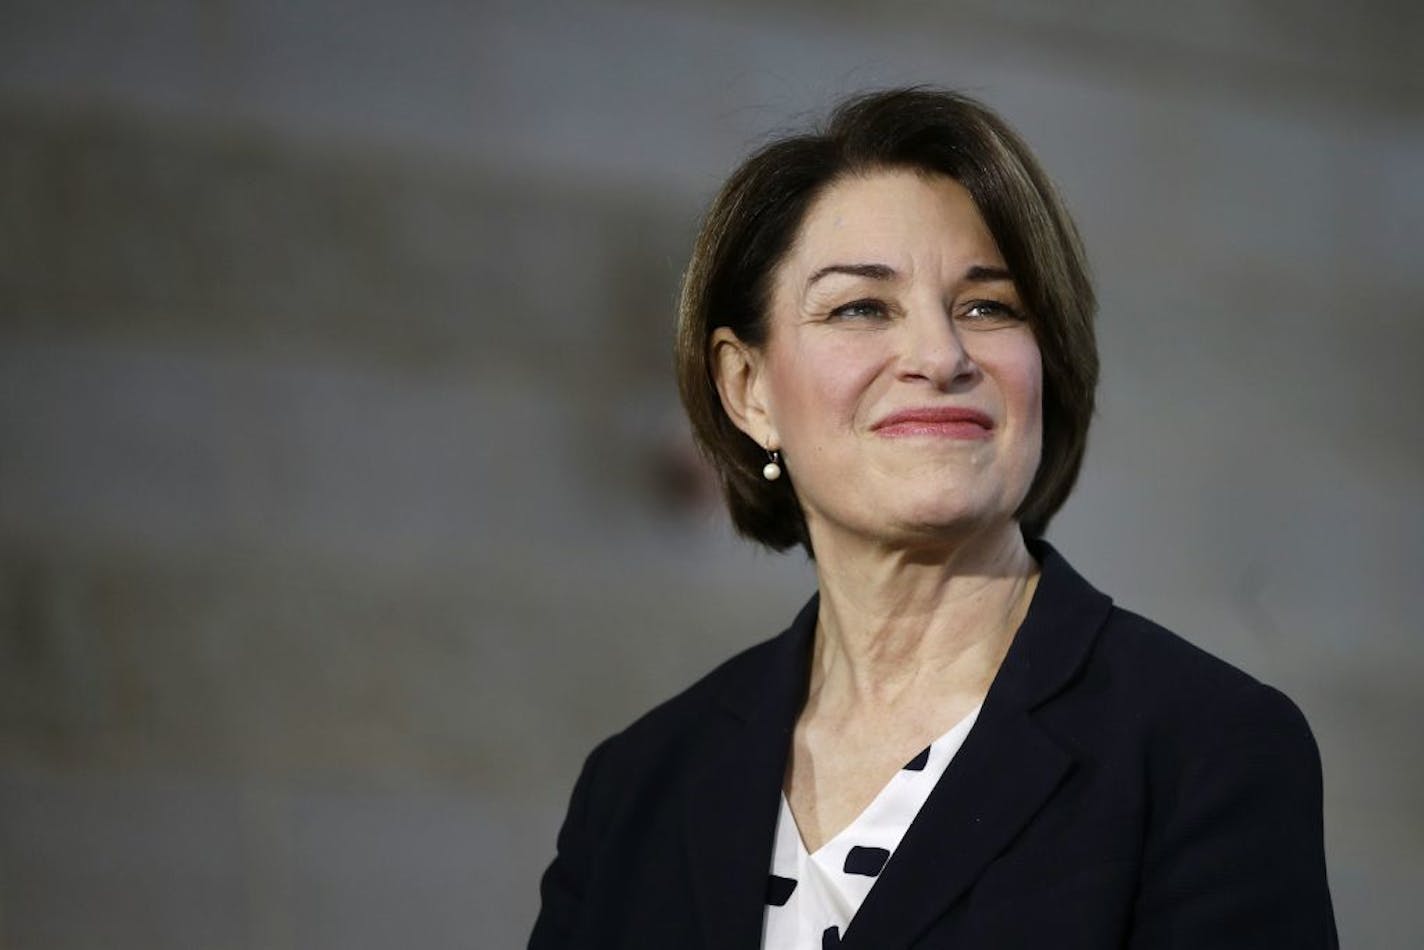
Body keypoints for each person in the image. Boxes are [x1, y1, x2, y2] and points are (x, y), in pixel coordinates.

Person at [529, 88, 1337, 949]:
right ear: (747, 388)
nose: (940, 356)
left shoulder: (1203, 748)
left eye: (988, 306)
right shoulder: (638, 788)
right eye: (860, 308)